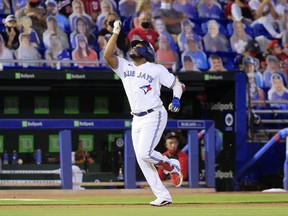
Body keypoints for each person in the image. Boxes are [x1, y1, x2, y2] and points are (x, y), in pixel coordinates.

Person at [104, 20, 185, 206]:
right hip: (137, 117)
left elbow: (177, 84)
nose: (134, 48)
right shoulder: (126, 66)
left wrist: (176, 99)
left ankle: (171, 165)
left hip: (153, 114)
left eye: (138, 46)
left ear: (147, 52)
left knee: (145, 152)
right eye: (133, 46)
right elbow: (107, 55)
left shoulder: (156, 68)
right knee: (142, 158)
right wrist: (116, 32)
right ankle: (163, 195)